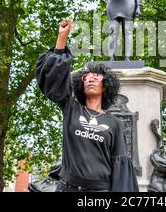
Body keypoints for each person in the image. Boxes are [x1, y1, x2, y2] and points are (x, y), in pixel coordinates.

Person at [35, 19, 139, 192]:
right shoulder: (71, 108)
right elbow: (54, 80)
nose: (90, 78)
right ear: (81, 84)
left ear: (106, 85)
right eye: (86, 77)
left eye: (96, 77)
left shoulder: (114, 123)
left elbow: (120, 166)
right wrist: (62, 38)